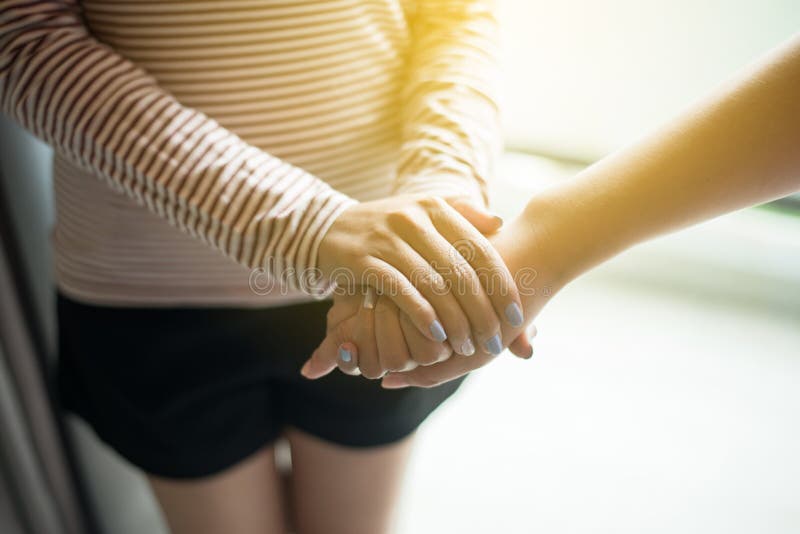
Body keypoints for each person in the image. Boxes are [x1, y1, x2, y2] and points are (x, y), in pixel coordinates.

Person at [0, 1, 516, 533]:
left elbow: (455, 13)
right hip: (155, 292)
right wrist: (309, 226)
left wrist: (441, 183)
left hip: (382, 279)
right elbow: (26, 45)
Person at [302, 32, 800, 388]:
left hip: (422, 271)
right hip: (257, 287)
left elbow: (452, 19)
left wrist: (442, 195)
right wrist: (312, 227)